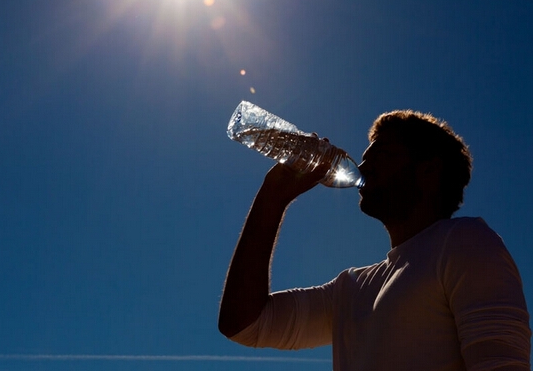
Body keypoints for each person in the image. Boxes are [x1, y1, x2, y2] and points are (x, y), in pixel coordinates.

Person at [218, 110, 531, 370]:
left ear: (428, 171)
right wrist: (273, 196)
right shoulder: (349, 289)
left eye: (381, 154)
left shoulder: (466, 242)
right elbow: (244, 323)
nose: (363, 167)